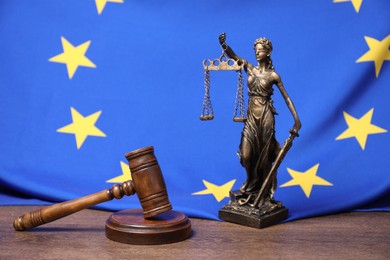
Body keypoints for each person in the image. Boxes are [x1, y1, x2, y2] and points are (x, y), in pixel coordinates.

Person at [219, 33, 301, 207]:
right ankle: (251, 183)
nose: (257, 53)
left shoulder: (273, 76)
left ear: (268, 52)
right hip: (250, 117)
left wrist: (296, 120)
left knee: (264, 157)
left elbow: (286, 98)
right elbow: (234, 57)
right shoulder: (249, 68)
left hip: (265, 117)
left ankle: (261, 192)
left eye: (260, 50)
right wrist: (224, 46)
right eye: (255, 50)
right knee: (247, 154)